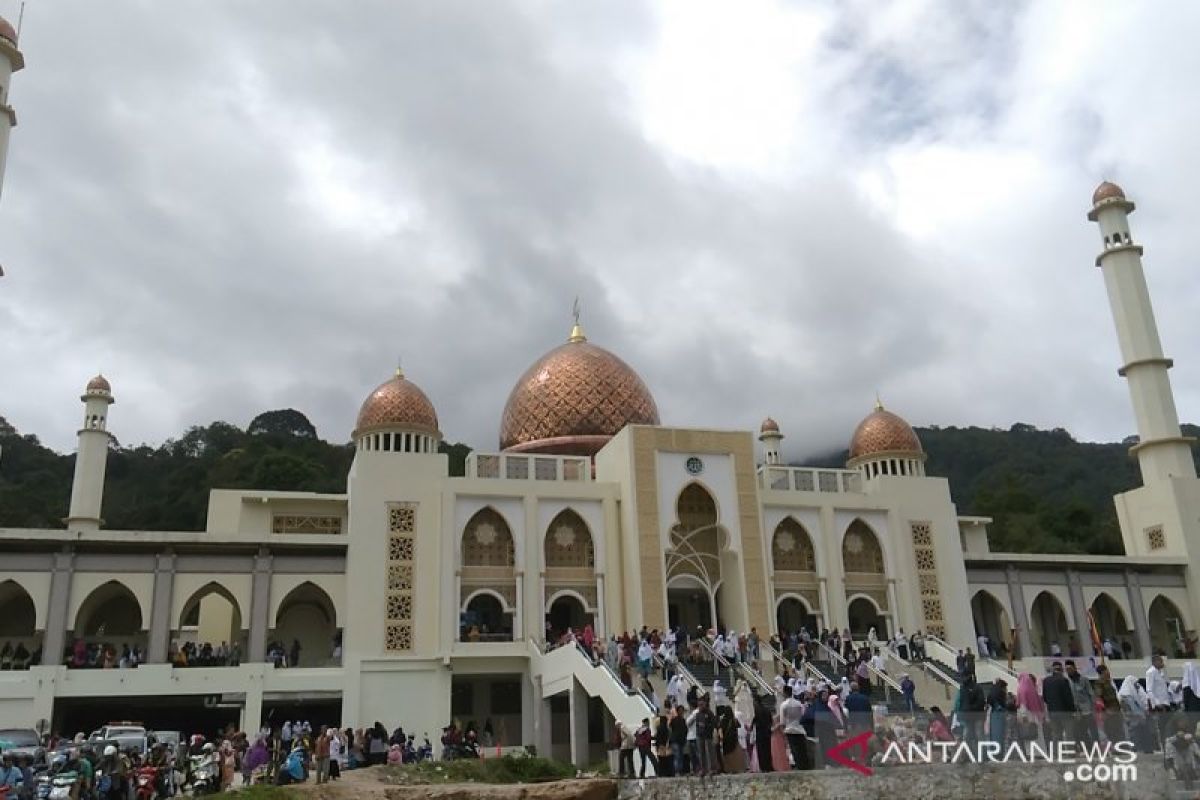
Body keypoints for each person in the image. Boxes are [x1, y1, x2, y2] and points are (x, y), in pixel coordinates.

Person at [777, 685, 810, 770]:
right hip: (799, 729)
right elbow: (803, 715)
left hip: (790, 730)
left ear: (784, 693)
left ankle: (799, 766)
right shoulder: (798, 703)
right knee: (802, 749)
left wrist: (782, 730)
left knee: (794, 750)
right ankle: (805, 766)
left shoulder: (783, 705)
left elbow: (782, 721)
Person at [1041, 662, 1075, 742]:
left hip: (1052, 711)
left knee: (1056, 733)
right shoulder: (1064, 680)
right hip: (1065, 712)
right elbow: (1068, 697)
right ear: (1062, 670)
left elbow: (1045, 697)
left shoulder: (1046, 681)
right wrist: (1072, 710)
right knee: (1069, 733)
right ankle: (1070, 753)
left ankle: (1056, 753)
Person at [1065, 660, 1097, 743]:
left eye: (1070, 668)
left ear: (1075, 668)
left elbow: (1091, 694)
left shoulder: (1084, 679)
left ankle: (1097, 747)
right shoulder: (1067, 682)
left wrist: (1093, 708)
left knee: (1093, 730)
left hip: (1087, 710)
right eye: (1067, 669)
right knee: (1081, 731)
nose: (1069, 671)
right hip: (1076, 712)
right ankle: (1088, 748)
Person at [691, 697, 718, 776]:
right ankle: (703, 769)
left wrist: (706, 726)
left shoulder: (709, 713)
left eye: (702, 704)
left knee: (709, 752)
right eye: (699, 705)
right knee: (701, 753)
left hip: (708, 736)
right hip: (700, 736)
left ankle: (712, 769)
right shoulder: (698, 714)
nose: (700, 706)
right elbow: (697, 725)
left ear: (705, 704)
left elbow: (713, 724)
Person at [986, 678, 1008, 744]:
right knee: (1001, 732)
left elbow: (988, 701)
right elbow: (1004, 703)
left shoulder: (991, 690)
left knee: (995, 732)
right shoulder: (1001, 692)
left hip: (992, 713)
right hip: (1000, 712)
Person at [669, 705, 688, 776]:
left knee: (680, 756)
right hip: (675, 740)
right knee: (677, 756)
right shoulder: (675, 720)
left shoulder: (683, 720)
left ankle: (680, 771)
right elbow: (671, 728)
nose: (682, 712)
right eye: (680, 710)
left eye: (682, 710)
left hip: (681, 740)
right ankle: (677, 771)